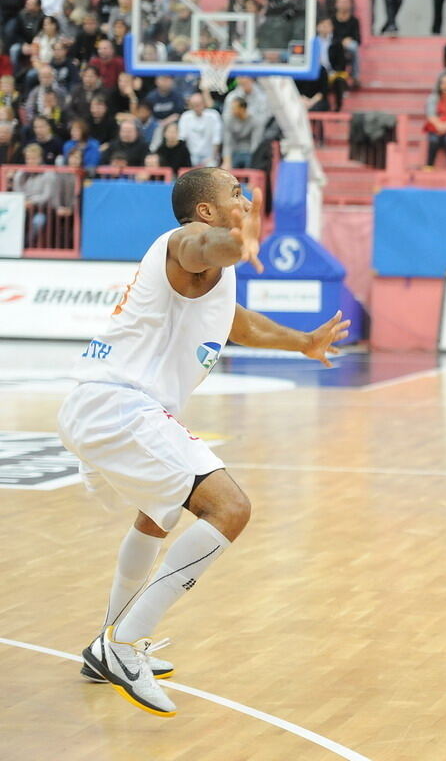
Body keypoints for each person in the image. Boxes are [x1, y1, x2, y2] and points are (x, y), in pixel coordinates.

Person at [57, 169, 351, 717]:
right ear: (207, 213)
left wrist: (303, 342)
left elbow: (238, 324)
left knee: (157, 515)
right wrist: (238, 241)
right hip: (118, 406)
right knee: (229, 508)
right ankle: (122, 645)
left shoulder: (210, 279)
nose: (243, 199)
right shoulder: (184, 246)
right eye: (234, 195)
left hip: (106, 406)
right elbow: (200, 245)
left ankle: (107, 642)